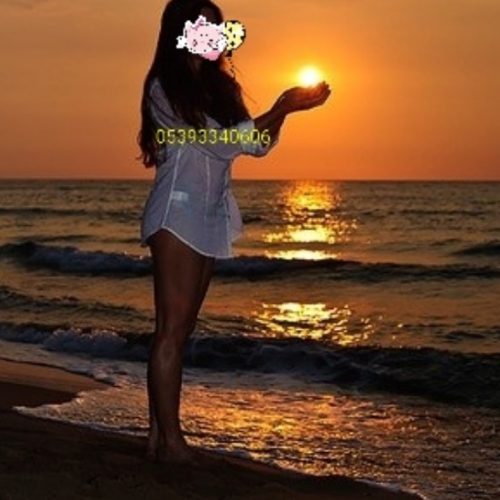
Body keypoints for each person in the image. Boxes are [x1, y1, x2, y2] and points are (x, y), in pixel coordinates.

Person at [137, 0, 331, 465]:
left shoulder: (220, 86)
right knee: (171, 331)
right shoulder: (163, 87)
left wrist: (286, 112)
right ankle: (172, 441)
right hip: (177, 212)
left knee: (178, 332)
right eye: (203, 25)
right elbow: (220, 144)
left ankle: (158, 435)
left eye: (217, 26)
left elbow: (255, 144)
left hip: (209, 213)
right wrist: (281, 105)